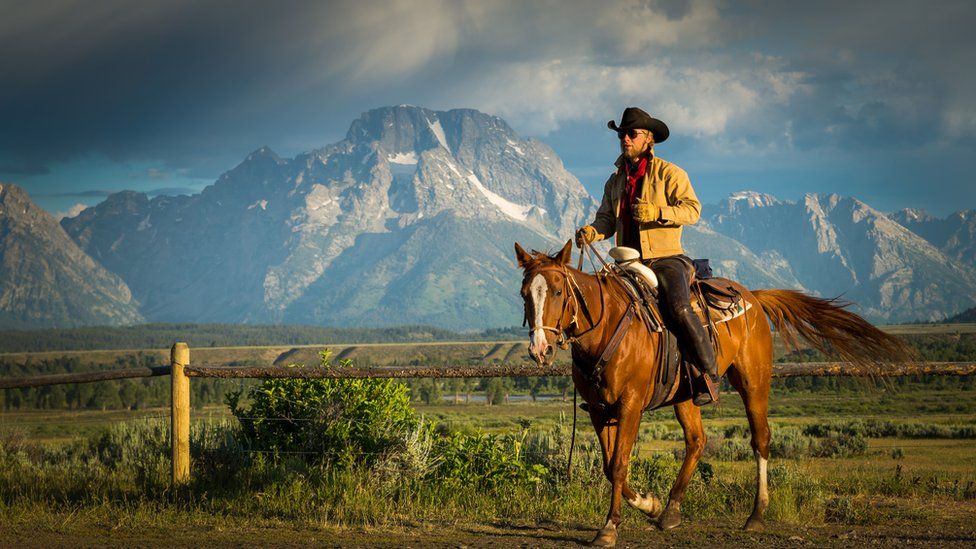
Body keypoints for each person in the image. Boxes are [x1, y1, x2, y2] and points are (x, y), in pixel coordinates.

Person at [575, 107, 719, 405]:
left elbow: (692, 210)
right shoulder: (614, 181)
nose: (625, 139)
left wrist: (659, 213)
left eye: (631, 134)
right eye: (621, 135)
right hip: (626, 261)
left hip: (666, 257)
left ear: (648, 139)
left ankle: (708, 373)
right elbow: (606, 220)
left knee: (678, 307)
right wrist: (592, 231)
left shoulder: (670, 173)